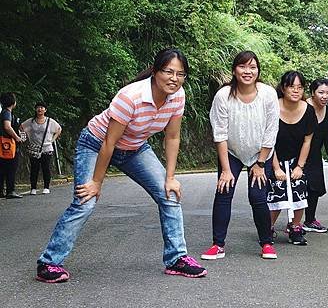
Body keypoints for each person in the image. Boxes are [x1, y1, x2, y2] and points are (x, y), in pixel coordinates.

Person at [36, 48, 207, 283]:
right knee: (85, 200)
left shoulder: (178, 96)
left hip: (134, 148)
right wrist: (96, 182)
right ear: (155, 71)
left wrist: (170, 177)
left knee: (170, 194)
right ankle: (49, 262)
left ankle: (176, 258)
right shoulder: (131, 97)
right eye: (168, 71)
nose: (174, 79)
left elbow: (172, 137)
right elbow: (109, 141)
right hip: (96, 143)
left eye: (180, 74)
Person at [201, 51, 279, 261]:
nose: (248, 71)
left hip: (260, 153)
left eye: (253, 67)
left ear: (258, 71)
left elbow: (272, 130)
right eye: (243, 67)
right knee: (224, 192)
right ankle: (218, 245)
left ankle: (266, 243)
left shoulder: (268, 93)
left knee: (258, 197)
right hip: (232, 152)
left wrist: (261, 163)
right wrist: (226, 170)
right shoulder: (223, 95)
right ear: (234, 70)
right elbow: (220, 134)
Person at [267, 71, 316, 246]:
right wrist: (276, 168)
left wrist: (299, 166)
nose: (296, 91)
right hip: (273, 156)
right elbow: (268, 140)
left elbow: (307, 140)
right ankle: (268, 228)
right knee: (277, 190)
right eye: (291, 87)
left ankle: (295, 227)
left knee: (299, 187)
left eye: (300, 87)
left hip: (298, 158)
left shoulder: (308, 110)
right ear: (283, 88)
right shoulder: (272, 107)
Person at [303, 78, 328, 233]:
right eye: (321, 92)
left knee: (314, 188)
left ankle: (309, 220)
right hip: (297, 154)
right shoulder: (303, 107)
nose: (325, 96)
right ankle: (293, 223)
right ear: (312, 93)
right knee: (296, 187)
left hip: (315, 155)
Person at [21, 102, 62, 195]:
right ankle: (33, 188)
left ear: (45, 110)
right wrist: (26, 137)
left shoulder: (50, 121)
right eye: (38, 107)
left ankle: (46, 187)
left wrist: (52, 140)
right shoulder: (31, 121)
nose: (40, 109)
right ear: (35, 109)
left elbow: (59, 129)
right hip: (34, 148)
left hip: (47, 148)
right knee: (34, 169)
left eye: (42, 107)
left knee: (45, 168)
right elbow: (22, 127)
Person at [0, 92, 24, 199]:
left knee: (2, 168)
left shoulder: (2, 112)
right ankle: (11, 190)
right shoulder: (7, 113)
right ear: (13, 102)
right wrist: (17, 137)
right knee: (12, 167)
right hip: (8, 144)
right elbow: (7, 127)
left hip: (2, 144)